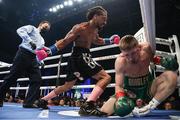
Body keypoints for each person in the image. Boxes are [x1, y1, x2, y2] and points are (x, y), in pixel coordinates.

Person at [34, 6, 120, 116]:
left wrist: (110, 41)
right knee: (106, 77)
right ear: (95, 16)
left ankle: (42, 100)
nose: (105, 22)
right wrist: (50, 51)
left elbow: (97, 40)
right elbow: (65, 41)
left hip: (78, 57)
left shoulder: (95, 30)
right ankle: (88, 106)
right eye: (103, 18)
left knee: (67, 86)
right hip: (80, 55)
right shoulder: (80, 28)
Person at [100, 35, 178, 117]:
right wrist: (121, 98)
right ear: (122, 53)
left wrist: (162, 61)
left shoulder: (146, 49)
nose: (130, 58)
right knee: (103, 112)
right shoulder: (120, 62)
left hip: (149, 89)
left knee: (172, 75)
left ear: (138, 47)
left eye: (133, 53)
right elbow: (119, 85)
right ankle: (133, 109)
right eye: (126, 55)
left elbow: (152, 58)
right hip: (129, 93)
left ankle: (149, 107)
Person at [0, 21, 51, 108]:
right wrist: (30, 41)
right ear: (40, 24)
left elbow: (37, 50)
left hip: (33, 58)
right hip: (23, 54)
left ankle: (28, 102)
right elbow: (20, 30)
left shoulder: (42, 40)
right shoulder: (32, 28)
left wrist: (41, 60)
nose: (46, 29)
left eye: (48, 29)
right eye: (45, 26)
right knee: (12, 76)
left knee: (37, 79)